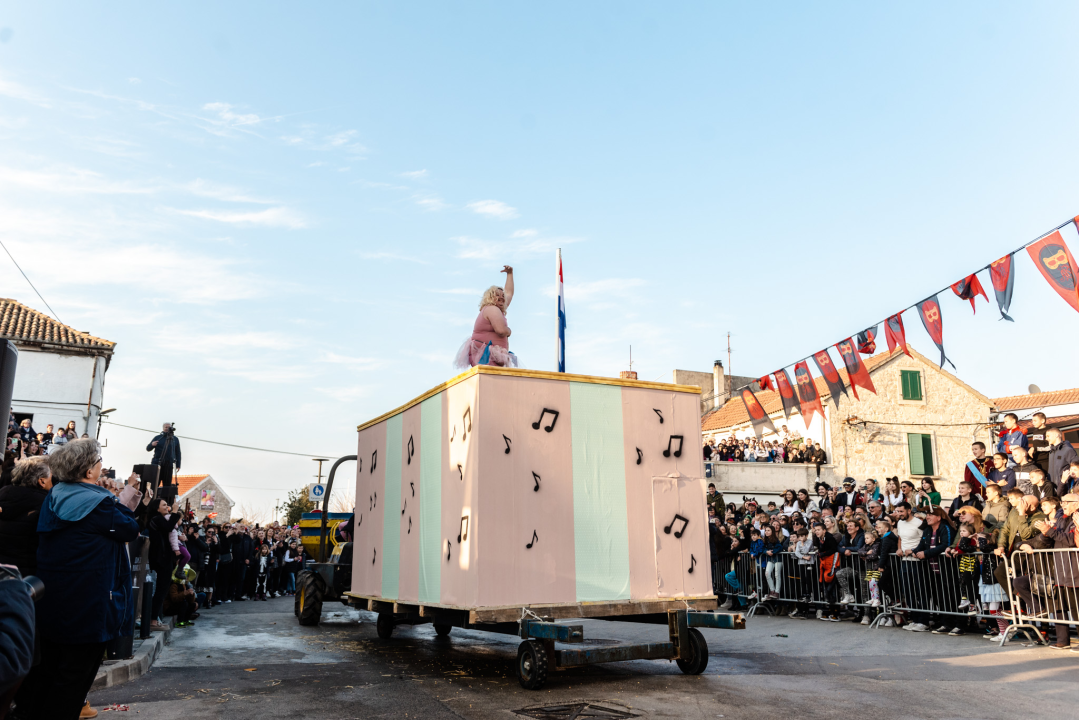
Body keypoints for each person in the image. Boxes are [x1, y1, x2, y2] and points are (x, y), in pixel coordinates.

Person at [13, 439, 143, 720]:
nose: (102, 467)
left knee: (49, 675)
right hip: (89, 604)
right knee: (73, 682)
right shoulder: (99, 504)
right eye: (99, 462)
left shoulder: (54, 496)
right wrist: (111, 495)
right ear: (88, 472)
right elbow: (130, 527)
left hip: (53, 600)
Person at [454, 266, 518, 368]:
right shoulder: (492, 308)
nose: (501, 297)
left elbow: (509, 293)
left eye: (502, 296)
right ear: (490, 297)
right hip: (486, 355)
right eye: (497, 295)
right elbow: (501, 330)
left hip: (494, 354)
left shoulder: (497, 309)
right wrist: (509, 331)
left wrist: (509, 274)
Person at [0, 458, 53, 575]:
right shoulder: (46, 504)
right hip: (28, 575)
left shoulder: (3, 494)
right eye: (52, 476)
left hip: (3, 570)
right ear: (42, 481)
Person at [146, 422, 181, 489]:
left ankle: (164, 499)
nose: (167, 429)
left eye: (169, 427)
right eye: (166, 427)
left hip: (169, 465)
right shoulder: (158, 437)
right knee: (154, 484)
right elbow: (148, 448)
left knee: (167, 486)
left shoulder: (175, 439)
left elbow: (178, 452)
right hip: (157, 464)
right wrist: (152, 444)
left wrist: (178, 464)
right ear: (163, 428)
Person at [1046, 428, 1079, 495]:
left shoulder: (1068, 450)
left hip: (1065, 488)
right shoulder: (1051, 452)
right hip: (1053, 488)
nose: (1046, 439)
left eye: (1048, 436)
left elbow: (1076, 467)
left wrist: (1065, 481)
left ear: (1056, 435)